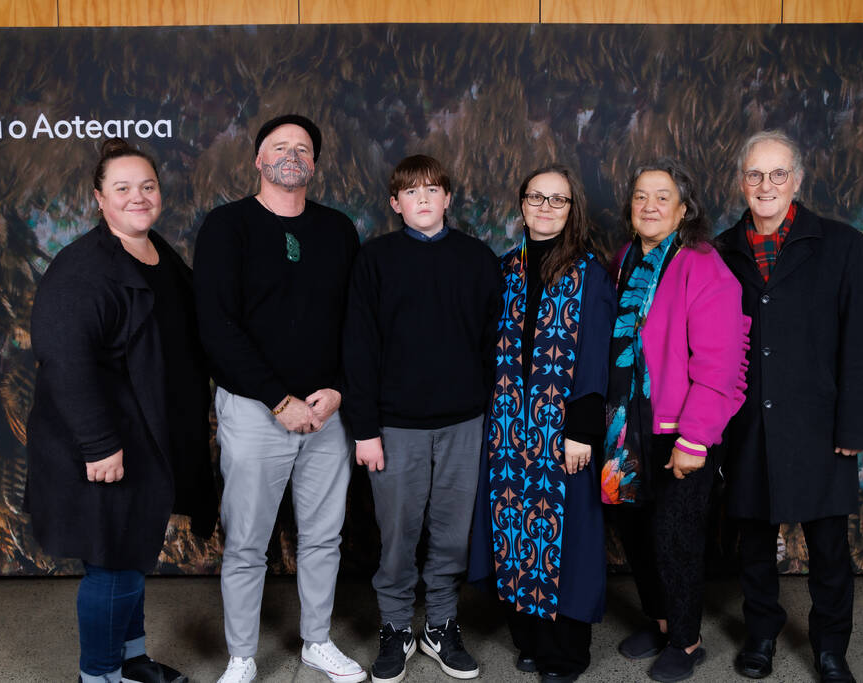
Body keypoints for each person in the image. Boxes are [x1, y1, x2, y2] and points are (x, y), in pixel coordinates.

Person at [26, 137, 217, 683]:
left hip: (145, 440)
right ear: (99, 198)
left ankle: (131, 663)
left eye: (148, 186)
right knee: (111, 567)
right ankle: (100, 676)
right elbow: (64, 360)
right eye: (123, 188)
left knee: (130, 558)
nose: (139, 197)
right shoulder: (83, 269)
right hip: (101, 444)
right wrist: (97, 443)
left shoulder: (158, 253)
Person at [193, 115, 364, 683]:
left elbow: (354, 323)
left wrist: (336, 388)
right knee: (246, 541)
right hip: (254, 410)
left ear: (314, 165)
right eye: (279, 146)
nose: (292, 155)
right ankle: (242, 655)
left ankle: (317, 640)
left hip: (326, 414)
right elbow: (216, 327)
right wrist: (277, 398)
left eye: (303, 148)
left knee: (323, 536)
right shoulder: (227, 227)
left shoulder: (339, 230)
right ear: (258, 161)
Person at [717, 131, 863, 683]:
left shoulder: (842, 244)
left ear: (798, 181)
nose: (766, 185)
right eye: (756, 175)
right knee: (755, 545)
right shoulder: (720, 250)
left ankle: (831, 646)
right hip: (747, 424)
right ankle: (761, 633)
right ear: (742, 182)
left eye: (778, 174)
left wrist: (855, 423)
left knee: (830, 548)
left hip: (819, 422)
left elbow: (860, 341)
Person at [343, 155, 503, 683]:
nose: (424, 200)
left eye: (434, 190)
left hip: (463, 422)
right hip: (395, 427)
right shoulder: (375, 260)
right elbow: (359, 350)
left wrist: (483, 412)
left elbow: (489, 346)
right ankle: (394, 628)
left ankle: (440, 625)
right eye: (412, 193)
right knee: (397, 535)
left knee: (452, 534)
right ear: (395, 204)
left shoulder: (479, 260)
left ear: (448, 199)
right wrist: (365, 429)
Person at [602, 159, 750, 682]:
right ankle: (663, 622)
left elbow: (722, 361)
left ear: (684, 209)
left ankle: (686, 642)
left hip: (679, 430)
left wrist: (696, 438)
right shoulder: (625, 259)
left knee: (675, 536)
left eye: (662, 197)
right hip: (626, 428)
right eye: (641, 196)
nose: (649, 206)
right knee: (636, 532)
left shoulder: (701, 264)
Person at [468, 164, 615, 683]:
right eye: (537, 198)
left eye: (558, 200)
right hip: (507, 426)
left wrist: (579, 429)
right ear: (523, 203)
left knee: (566, 536)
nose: (546, 208)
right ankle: (527, 640)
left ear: (572, 209)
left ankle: (566, 654)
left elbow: (596, 355)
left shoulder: (590, 274)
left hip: (562, 428)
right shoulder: (504, 268)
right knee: (511, 528)